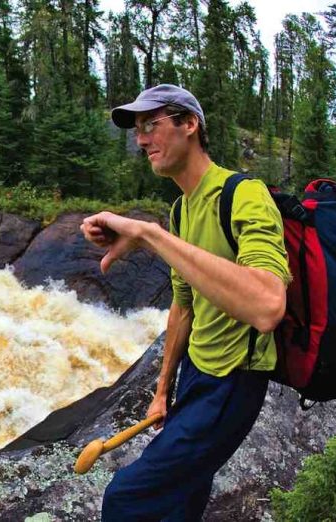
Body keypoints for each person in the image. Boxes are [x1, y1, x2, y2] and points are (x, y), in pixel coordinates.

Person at [80, 84, 292, 521]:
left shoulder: (243, 194)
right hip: (196, 376)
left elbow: (268, 306)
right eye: (138, 130)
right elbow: (184, 308)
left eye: (151, 125)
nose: (141, 140)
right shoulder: (181, 210)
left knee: (125, 499)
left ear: (189, 124)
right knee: (182, 504)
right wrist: (162, 391)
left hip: (233, 383)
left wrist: (150, 235)